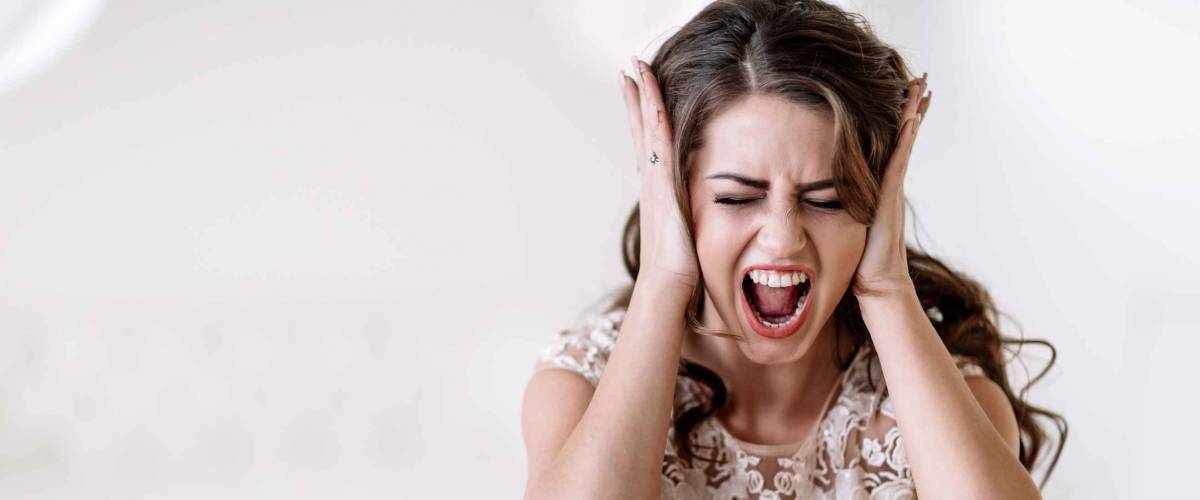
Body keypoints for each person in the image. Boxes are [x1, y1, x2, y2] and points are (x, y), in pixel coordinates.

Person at [521, 1, 1066, 498]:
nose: (783, 238)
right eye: (736, 198)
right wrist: (663, 276)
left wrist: (887, 289)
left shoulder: (945, 397)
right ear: (677, 203)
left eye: (827, 201)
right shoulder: (577, 388)